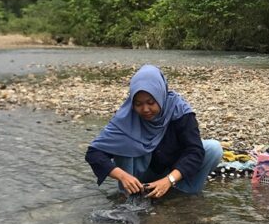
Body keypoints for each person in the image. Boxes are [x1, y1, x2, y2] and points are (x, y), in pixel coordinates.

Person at [85, 64, 223, 199]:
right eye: (138, 104)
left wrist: (169, 180)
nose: (145, 109)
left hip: (173, 172)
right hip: (140, 178)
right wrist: (122, 176)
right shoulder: (126, 118)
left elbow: (195, 151)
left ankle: (183, 194)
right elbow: (94, 153)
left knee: (213, 148)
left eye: (151, 102)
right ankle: (130, 197)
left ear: (160, 95)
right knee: (125, 144)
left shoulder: (179, 111)